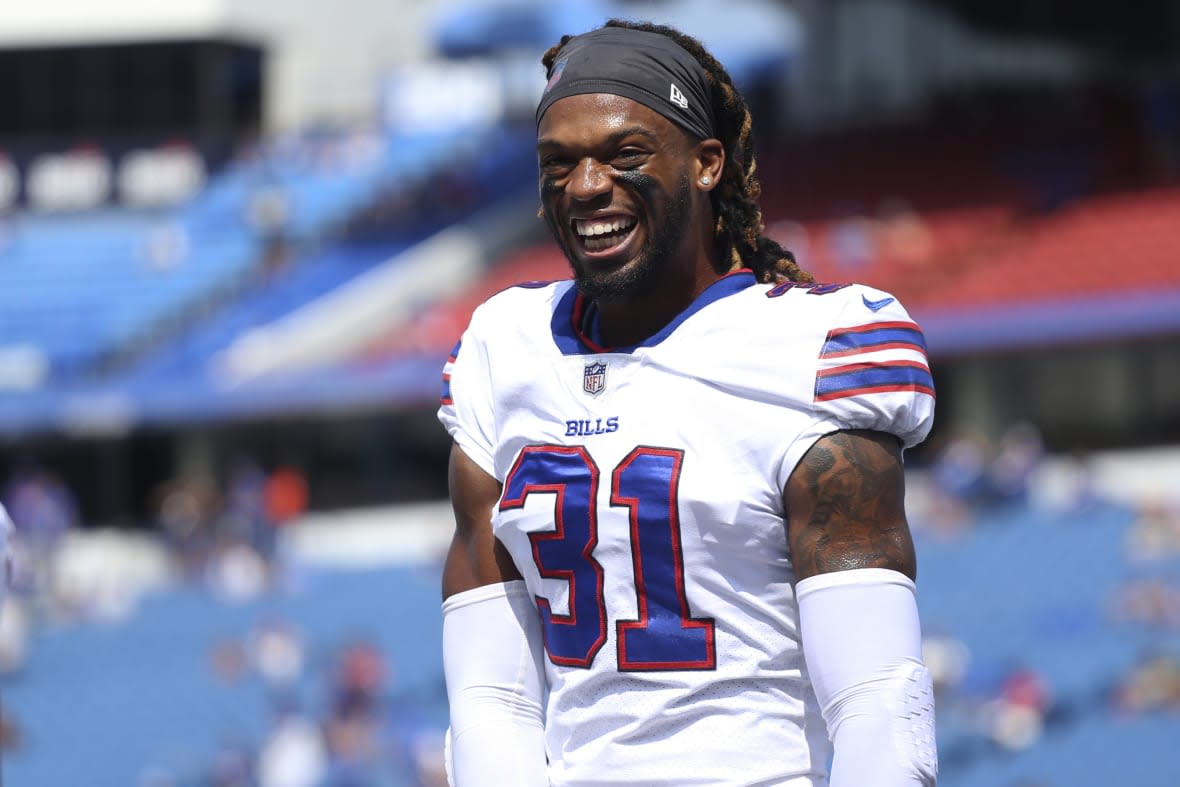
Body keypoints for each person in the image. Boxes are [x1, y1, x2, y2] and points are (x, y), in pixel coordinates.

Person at [438, 20, 937, 787]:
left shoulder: (811, 347)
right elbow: (490, 698)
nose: (586, 186)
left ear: (707, 164)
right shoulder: (503, 350)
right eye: (559, 162)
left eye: (624, 153)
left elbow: (877, 698)